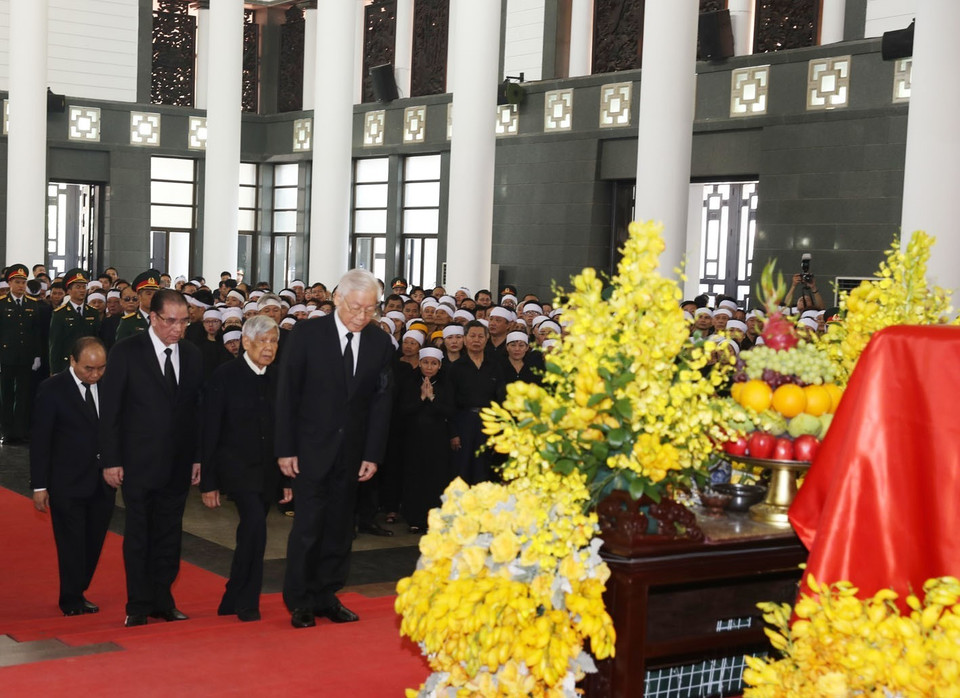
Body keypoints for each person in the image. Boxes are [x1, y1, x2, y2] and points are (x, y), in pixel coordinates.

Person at [275, 268, 394, 629]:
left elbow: (381, 403)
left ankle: (328, 594)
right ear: (338, 299)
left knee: (341, 529)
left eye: (370, 310)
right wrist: (285, 448)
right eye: (356, 307)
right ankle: (301, 600)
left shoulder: (379, 342)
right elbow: (287, 394)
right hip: (310, 450)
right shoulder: (307, 334)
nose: (362, 316)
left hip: (353, 453)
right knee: (308, 527)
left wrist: (372, 453)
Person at [98, 289, 203, 627]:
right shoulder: (127, 352)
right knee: (140, 532)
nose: (178, 328)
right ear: (154, 318)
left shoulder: (191, 354)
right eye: (171, 321)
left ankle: (163, 599)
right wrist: (111, 459)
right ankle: (139, 604)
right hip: (137, 462)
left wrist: (198, 457)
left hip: (178, 462)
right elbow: (110, 411)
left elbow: (196, 410)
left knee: (170, 534)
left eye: (184, 321)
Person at [200, 316, 291, 622]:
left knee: (249, 534)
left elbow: (284, 430)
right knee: (256, 529)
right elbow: (210, 429)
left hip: (268, 470)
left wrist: (286, 478)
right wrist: (208, 482)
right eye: (263, 341)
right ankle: (248, 601)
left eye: (274, 341)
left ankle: (231, 594)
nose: (270, 348)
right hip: (236, 469)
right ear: (246, 343)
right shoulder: (225, 375)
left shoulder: (279, 377)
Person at [30, 337, 115, 616]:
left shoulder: (111, 385)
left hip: (103, 481)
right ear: (72, 361)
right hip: (66, 482)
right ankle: (71, 597)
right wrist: (40, 485)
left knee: (94, 541)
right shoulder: (52, 389)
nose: (95, 374)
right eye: (89, 368)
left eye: (101, 368)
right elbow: (41, 441)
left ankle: (79, 586)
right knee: (71, 542)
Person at [399, 347, 455, 534]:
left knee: (436, 478)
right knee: (414, 478)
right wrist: (421, 398)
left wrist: (432, 398)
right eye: (425, 362)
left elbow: (450, 411)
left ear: (439, 365)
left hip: (438, 439)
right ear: (420, 363)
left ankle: (435, 519)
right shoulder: (409, 382)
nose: (429, 367)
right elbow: (403, 410)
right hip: (413, 438)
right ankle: (415, 518)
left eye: (433, 363)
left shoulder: (446, 384)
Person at [449, 321, 505, 484]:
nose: (476, 340)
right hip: (463, 422)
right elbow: (450, 402)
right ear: (465, 339)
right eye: (472, 336)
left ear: (487, 339)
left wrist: (499, 428)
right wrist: (453, 433)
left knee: (484, 468)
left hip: (488, 422)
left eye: (481, 336)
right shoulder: (456, 368)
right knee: (462, 469)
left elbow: (501, 399)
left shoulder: (495, 366)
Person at [0, 264, 43, 444]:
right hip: (6, 356)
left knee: (24, 395)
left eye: (23, 282)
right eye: (17, 282)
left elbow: (36, 333)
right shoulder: (2, 304)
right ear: (9, 283)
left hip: (26, 357)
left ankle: (20, 431)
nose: (20, 286)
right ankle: (7, 431)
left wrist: (37, 355)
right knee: (6, 395)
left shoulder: (32, 305)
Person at [49, 268, 101, 374]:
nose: (82, 290)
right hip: (67, 365)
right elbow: (55, 345)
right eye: (78, 287)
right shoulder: (60, 314)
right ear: (68, 290)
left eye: (84, 287)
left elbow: (97, 339)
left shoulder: (93, 312)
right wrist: (54, 371)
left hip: (89, 363)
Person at [115, 270, 160, 342]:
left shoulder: (162, 319)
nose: (152, 297)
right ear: (139, 296)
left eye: (155, 294)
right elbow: (121, 349)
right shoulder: (128, 321)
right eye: (148, 294)